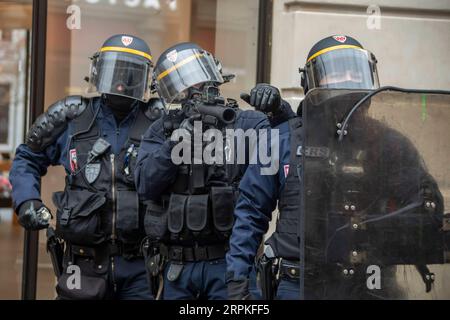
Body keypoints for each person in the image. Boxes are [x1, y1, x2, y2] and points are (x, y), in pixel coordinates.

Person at [226, 35, 444, 300]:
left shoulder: (389, 143)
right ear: (310, 82)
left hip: (370, 284)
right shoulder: (283, 140)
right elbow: (250, 212)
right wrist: (238, 281)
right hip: (299, 286)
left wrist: (375, 228)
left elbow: (426, 207)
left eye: (355, 70)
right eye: (337, 72)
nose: (348, 79)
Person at [134, 42, 294, 300]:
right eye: (184, 85)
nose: (194, 90)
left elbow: (292, 149)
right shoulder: (163, 129)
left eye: (198, 80)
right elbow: (145, 185)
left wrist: (279, 110)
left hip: (230, 264)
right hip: (177, 268)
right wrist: (177, 142)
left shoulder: (246, 124)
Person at [10, 34, 164, 300]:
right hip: (83, 261)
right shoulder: (72, 118)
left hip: (139, 262)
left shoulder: (159, 123)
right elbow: (27, 157)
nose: (120, 81)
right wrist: (27, 201)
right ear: (97, 70)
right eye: (114, 70)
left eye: (129, 74)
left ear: (145, 79)